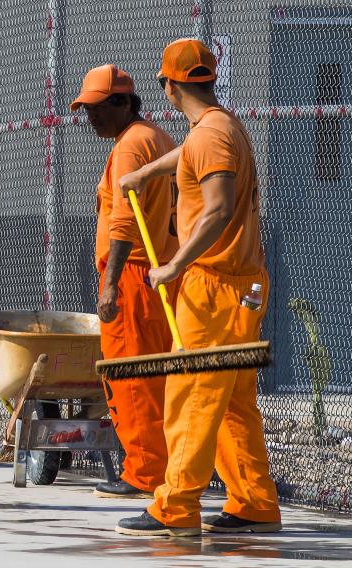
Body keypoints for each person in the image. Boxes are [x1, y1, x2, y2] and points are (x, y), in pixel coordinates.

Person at [116, 39, 281, 536]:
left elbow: (218, 207)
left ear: (169, 85)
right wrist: (145, 172)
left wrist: (174, 266)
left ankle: (175, 506)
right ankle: (254, 501)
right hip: (241, 285)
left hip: (214, 286)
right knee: (231, 399)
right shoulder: (218, 127)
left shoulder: (212, 136)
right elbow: (187, 158)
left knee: (192, 394)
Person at [69, 64, 177, 499]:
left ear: (123, 102)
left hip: (133, 274)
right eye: (85, 109)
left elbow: (123, 221)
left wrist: (110, 283)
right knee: (157, 378)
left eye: (97, 108)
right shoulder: (157, 138)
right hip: (160, 273)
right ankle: (165, 467)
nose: (89, 117)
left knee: (130, 377)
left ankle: (144, 472)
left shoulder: (131, 147)